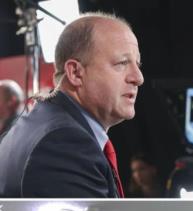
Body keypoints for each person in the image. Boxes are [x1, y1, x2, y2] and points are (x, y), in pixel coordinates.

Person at [0, 12, 144, 198]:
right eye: (122, 63)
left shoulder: (40, 124)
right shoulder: (65, 143)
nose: (138, 78)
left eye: (138, 64)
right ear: (75, 73)